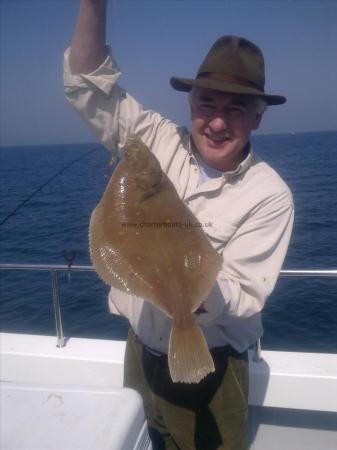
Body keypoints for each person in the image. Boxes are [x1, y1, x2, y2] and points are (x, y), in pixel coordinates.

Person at [64, 1, 294, 448]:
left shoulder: (270, 195)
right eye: (207, 102)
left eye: (237, 107)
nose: (218, 120)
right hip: (139, 351)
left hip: (214, 367)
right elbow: (88, 88)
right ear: (190, 103)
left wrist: (183, 278)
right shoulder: (153, 141)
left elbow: (245, 293)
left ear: (258, 116)